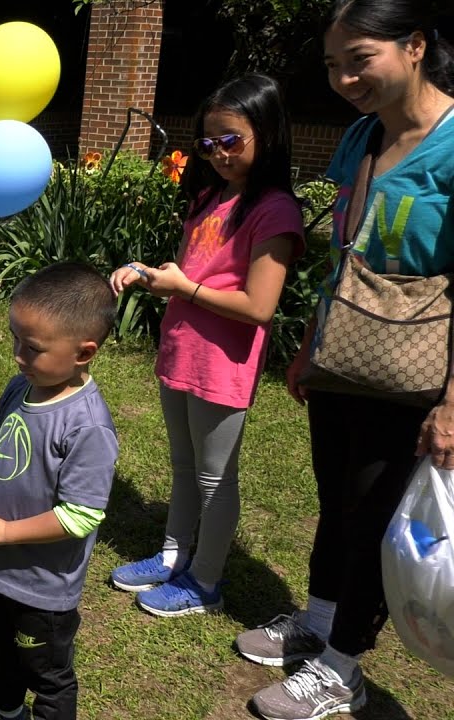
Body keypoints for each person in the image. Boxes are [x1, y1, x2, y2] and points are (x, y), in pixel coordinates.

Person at [238, 2, 454, 719]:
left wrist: (452, 405)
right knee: (336, 500)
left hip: (415, 374)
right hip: (344, 356)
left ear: (415, 45)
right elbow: (343, 261)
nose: (344, 78)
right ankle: (320, 620)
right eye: (333, 64)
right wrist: (308, 349)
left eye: (360, 59)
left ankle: (343, 669)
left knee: (373, 516)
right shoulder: (360, 138)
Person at [107, 73, 305, 617]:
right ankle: (174, 555)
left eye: (231, 140)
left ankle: (206, 581)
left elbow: (258, 306)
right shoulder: (210, 197)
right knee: (182, 464)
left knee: (215, 477)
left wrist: (184, 288)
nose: (218, 153)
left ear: (267, 133)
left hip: (223, 364)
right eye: (209, 142)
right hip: (183, 353)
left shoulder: (275, 211)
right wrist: (148, 273)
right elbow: (196, 273)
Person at [0, 263, 119, 720]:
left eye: (33, 348)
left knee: (46, 671)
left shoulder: (87, 427)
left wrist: (5, 532)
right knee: (1, 643)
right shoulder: (20, 388)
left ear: (84, 353)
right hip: (0, 568)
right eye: (16, 339)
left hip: (43, 584)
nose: (19, 355)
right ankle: (3, 710)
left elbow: (81, 515)